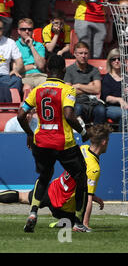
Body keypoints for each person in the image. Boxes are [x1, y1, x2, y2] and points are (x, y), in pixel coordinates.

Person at [17, 54, 90, 233]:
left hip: (41, 142)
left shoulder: (37, 90)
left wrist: (29, 133)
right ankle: (78, 223)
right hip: (64, 143)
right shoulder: (67, 90)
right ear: (64, 70)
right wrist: (83, 132)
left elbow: (20, 114)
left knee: (44, 177)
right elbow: (68, 115)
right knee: (81, 178)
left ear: (47, 70)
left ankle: (33, 212)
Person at [0, 124, 112, 231]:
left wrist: (95, 198)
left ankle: (64, 222)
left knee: (21, 197)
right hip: (60, 206)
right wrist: (85, 224)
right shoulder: (94, 168)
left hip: (51, 190)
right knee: (79, 214)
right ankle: (66, 223)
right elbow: (87, 198)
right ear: (104, 142)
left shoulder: (82, 148)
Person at [64, 41, 106, 125]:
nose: (83, 56)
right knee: (77, 108)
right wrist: (89, 87)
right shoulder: (69, 70)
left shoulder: (94, 70)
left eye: (86, 53)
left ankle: (97, 134)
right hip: (77, 101)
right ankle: (78, 134)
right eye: (80, 53)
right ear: (75, 54)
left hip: (92, 101)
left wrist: (79, 86)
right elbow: (68, 91)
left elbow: (97, 89)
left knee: (101, 110)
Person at [15, 18, 47, 93]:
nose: (27, 31)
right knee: (27, 89)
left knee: (46, 89)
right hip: (25, 77)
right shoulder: (14, 45)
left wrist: (31, 46)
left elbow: (41, 65)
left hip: (40, 76)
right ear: (18, 31)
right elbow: (17, 69)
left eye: (29, 29)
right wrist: (34, 66)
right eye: (23, 29)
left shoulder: (39, 45)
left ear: (32, 31)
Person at [101, 48, 128, 131]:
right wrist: (120, 100)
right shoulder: (107, 78)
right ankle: (122, 140)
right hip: (111, 107)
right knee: (125, 114)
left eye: (119, 59)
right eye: (114, 59)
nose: (117, 61)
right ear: (110, 61)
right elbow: (106, 97)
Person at [0, 18, 24, 93]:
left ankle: (9, 104)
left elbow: (19, 61)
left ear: (3, 30)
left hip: (4, 76)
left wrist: (15, 70)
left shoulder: (10, 42)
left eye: (0, 28)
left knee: (17, 80)